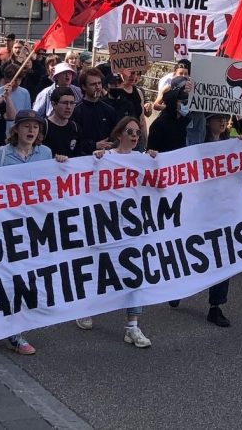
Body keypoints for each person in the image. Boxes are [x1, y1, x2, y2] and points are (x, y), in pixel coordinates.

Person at [0, 109, 67, 355]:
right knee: (9, 280)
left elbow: (54, 186)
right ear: (16, 130)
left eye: (35, 127)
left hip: (34, 228)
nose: (31, 131)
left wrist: (62, 165)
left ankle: (7, 329)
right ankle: (14, 334)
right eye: (26, 126)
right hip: (7, 226)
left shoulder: (45, 153)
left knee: (27, 280)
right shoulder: (1, 155)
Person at [169, 113, 242, 327]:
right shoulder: (197, 144)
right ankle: (179, 287)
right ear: (208, 122)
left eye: (225, 119)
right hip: (198, 209)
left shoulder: (231, 145)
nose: (222, 122)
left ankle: (216, 306)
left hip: (223, 210)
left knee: (223, 256)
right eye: (217, 118)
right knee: (192, 252)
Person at [86, 117, 159, 347]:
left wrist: (157, 161)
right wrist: (94, 158)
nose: (134, 135)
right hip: (107, 224)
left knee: (136, 273)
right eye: (129, 131)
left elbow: (163, 183)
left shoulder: (142, 159)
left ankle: (132, 326)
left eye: (137, 131)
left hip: (133, 226)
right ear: (119, 134)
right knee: (101, 270)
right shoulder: (105, 158)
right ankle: (86, 309)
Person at [72, 68, 117, 155]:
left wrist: (111, 145)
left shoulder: (109, 110)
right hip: (83, 160)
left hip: (106, 159)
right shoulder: (76, 110)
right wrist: (94, 145)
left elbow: (116, 136)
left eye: (99, 83)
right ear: (84, 86)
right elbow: (72, 140)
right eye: (93, 84)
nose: (97, 87)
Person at [44, 86, 81, 157]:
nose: (69, 107)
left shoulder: (76, 128)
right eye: (65, 103)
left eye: (72, 103)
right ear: (53, 104)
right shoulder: (44, 126)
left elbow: (79, 154)